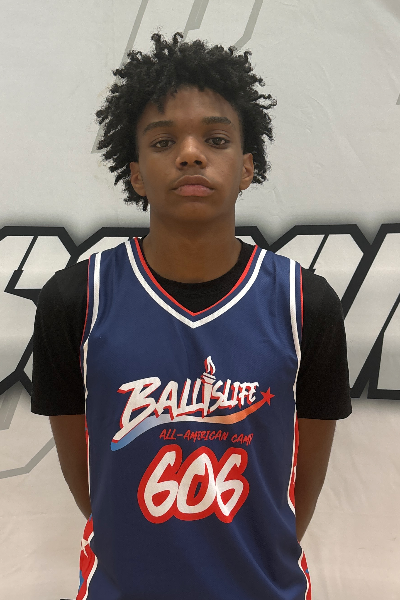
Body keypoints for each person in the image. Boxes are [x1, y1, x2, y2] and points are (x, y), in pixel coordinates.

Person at [31, 30, 352, 600]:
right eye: (163, 142)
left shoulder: (306, 304)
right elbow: (90, 485)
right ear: (135, 173)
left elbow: (298, 491)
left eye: (216, 138)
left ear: (248, 167)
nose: (190, 153)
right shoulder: (75, 301)